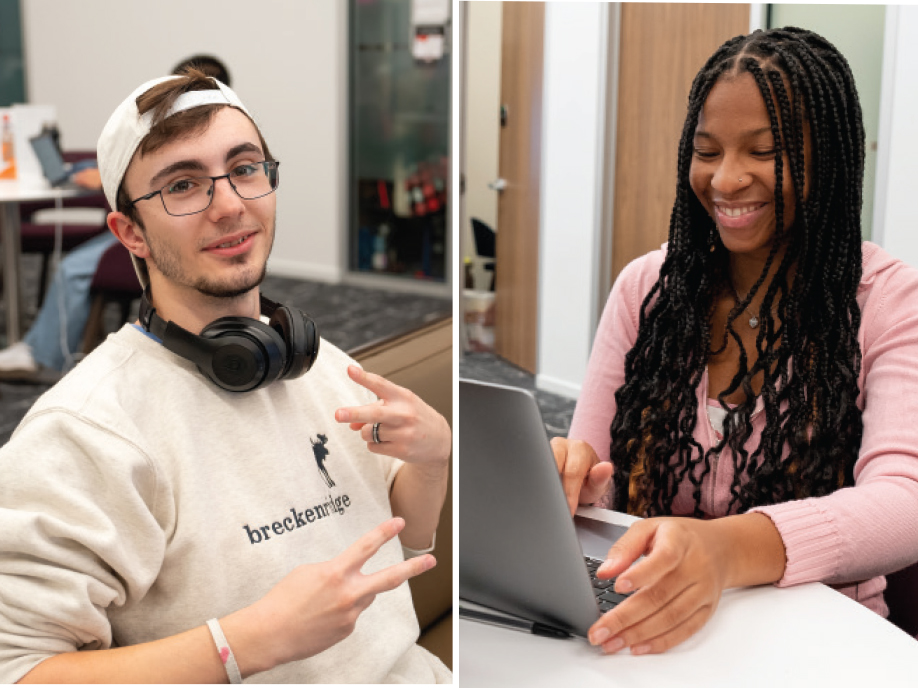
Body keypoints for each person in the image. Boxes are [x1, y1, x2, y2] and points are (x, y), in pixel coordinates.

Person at [0, 68, 451, 683]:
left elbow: (405, 540)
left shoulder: (325, 364)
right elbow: (18, 669)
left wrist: (432, 460)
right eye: (182, 185)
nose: (232, 205)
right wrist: (243, 643)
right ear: (130, 231)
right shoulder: (85, 433)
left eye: (244, 168)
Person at [552, 27, 918, 657]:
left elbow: (904, 501)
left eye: (764, 151)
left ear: (826, 158)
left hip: (820, 638)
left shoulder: (887, 301)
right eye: (706, 150)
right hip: (654, 620)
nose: (725, 179)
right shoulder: (647, 288)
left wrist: (724, 550)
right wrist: (583, 484)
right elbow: (598, 474)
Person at [0, 55, 232, 378]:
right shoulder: (162, 138)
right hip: (148, 228)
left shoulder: (204, 140)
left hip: (161, 236)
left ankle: (39, 353)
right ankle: (38, 348)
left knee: (73, 268)